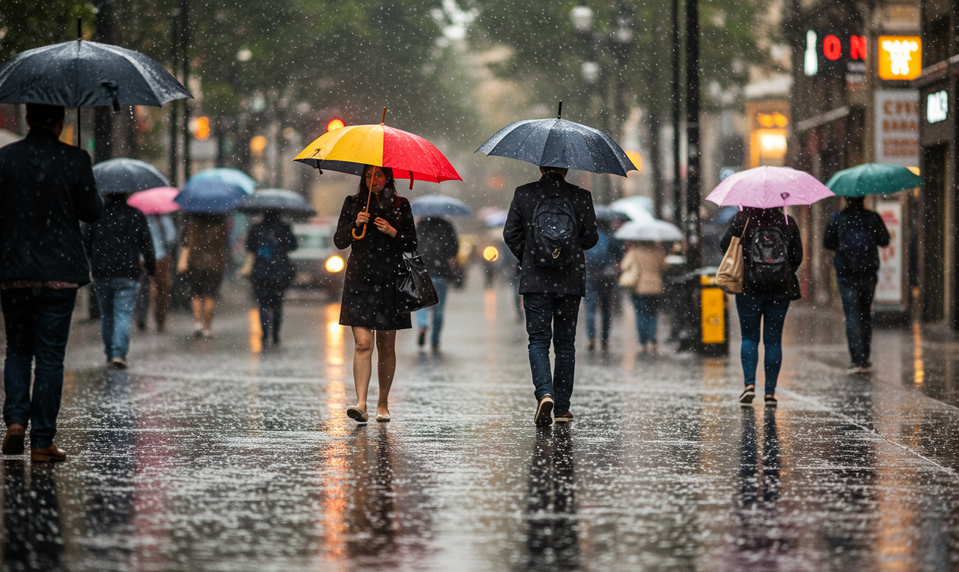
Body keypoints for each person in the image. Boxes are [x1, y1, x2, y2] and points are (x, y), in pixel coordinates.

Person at [0, 104, 103, 462]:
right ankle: (42, 441)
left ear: (27, 119)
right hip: (60, 272)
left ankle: (15, 420)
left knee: (16, 349)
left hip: (13, 270)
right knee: (49, 358)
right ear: (62, 120)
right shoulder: (75, 159)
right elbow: (92, 211)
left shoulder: (5, 158)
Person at [503, 167, 598, 426]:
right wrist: (565, 249)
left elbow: (510, 234)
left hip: (536, 281)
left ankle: (545, 393)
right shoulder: (581, 196)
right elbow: (591, 238)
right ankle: (563, 408)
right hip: (570, 281)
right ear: (566, 169)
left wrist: (533, 254)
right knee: (565, 344)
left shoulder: (524, 193)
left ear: (540, 167)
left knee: (538, 341)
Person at [334, 166, 417, 423]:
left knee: (386, 345)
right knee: (363, 343)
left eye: (379, 175)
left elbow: (411, 243)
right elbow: (339, 241)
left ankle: (383, 403)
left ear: (388, 178)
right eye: (369, 175)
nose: (374, 180)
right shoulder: (353, 203)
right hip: (359, 280)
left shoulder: (401, 205)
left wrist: (393, 232)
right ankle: (361, 404)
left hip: (389, 280)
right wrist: (354, 223)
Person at [720, 207, 803, 408]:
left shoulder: (743, 220)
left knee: (749, 337)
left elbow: (724, 245)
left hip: (749, 287)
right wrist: (779, 272)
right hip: (780, 288)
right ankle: (770, 394)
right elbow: (796, 256)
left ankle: (749, 386)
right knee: (773, 341)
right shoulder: (787, 222)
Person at [84, 193, 156, 369]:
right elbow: (146, 244)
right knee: (123, 314)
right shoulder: (135, 215)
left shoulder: (96, 214)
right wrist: (150, 267)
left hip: (102, 272)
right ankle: (118, 354)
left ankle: (111, 353)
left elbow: (86, 242)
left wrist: (92, 260)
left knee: (107, 314)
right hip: (128, 272)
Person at [823, 196, 891, 374]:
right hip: (868, 272)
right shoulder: (872, 217)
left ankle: (856, 360)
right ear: (864, 198)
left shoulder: (838, 217)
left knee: (852, 315)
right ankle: (865, 357)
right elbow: (885, 240)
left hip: (846, 273)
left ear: (846, 198)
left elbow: (827, 242)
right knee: (865, 313)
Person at [244, 210, 298, 347]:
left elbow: (249, 247)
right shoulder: (285, 228)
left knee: (263, 304)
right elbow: (293, 246)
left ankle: (264, 334)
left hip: (261, 271)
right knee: (277, 304)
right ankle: (275, 335)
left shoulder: (256, 229)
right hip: (280, 271)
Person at [177, 213, 229, 338]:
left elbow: (185, 243)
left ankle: (197, 323)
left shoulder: (192, 223)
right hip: (215, 264)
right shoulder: (221, 224)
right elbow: (225, 245)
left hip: (195, 262)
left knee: (195, 293)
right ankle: (207, 328)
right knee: (210, 294)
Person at [415, 216, 459, 352]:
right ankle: (435, 340)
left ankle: (423, 325)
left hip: (423, 270)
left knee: (422, 303)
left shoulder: (421, 225)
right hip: (441, 272)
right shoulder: (447, 225)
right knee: (438, 309)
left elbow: (413, 245)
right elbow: (454, 249)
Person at [618, 241, 668, 353]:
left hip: (639, 287)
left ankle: (643, 342)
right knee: (652, 313)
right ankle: (652, 338)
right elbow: (665, 266)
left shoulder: (635, 251)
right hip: (655, 287)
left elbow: (624, 265)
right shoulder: (658, 250)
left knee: (641, 314)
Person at [583, 221, 624, 352]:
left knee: (590, 309)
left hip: (590, 276)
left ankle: (591, 338)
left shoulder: (586, 236)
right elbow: (620, 256)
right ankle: (604, 340)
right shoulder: (610, 237)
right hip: (607, 277)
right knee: (606, 309)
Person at [133, 213, 176, 332]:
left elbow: (135, 238)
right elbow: (171, 238)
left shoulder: (139, 219)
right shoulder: (164, 220)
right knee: (162, 289)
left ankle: (141, 318)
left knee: (142, 288)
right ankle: (160, 319)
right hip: (160, 259)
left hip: (143, 259)